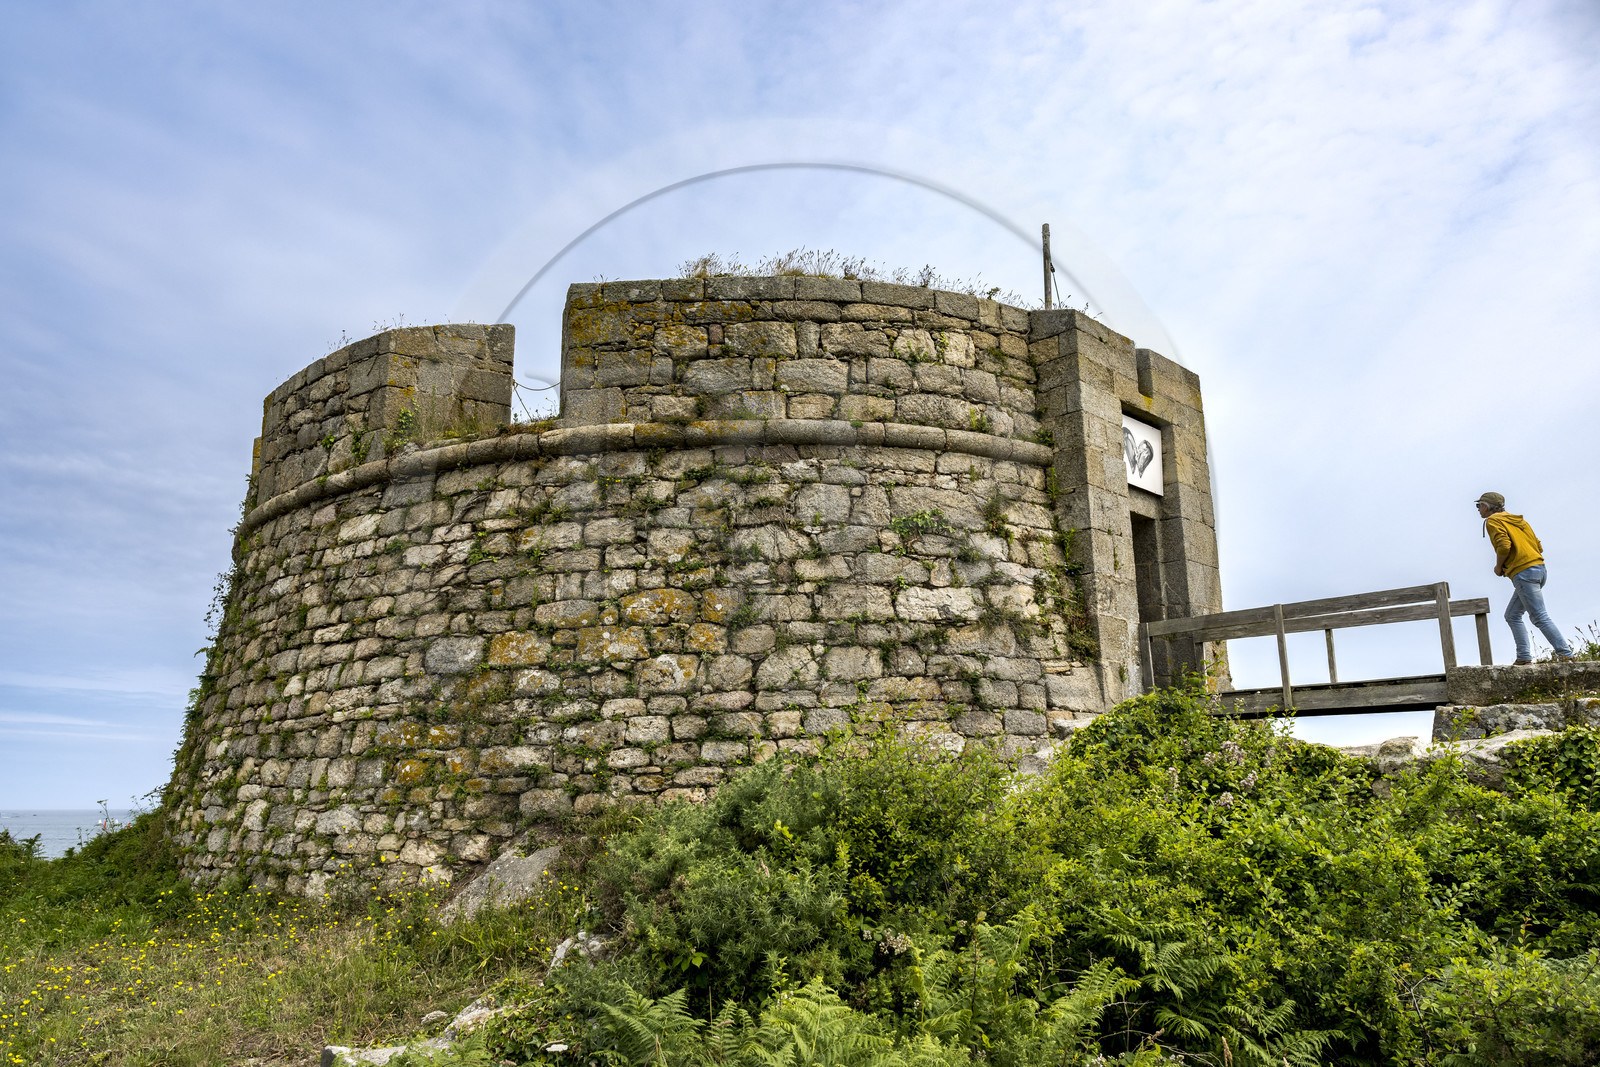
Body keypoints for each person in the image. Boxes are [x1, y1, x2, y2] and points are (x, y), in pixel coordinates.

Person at [1476, 492, 1575, 665]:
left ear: (1486, 506)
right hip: (1540, 569)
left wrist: (1499, 567)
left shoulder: (1493, 521)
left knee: (1539, 616)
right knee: (1512, 615)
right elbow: (1539, 546)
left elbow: (1504, 546)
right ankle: (1523, 657)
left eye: (1478, 506)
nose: (1478, 510)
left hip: (1524, 572)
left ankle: (1565, 654)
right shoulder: (1519, 521)